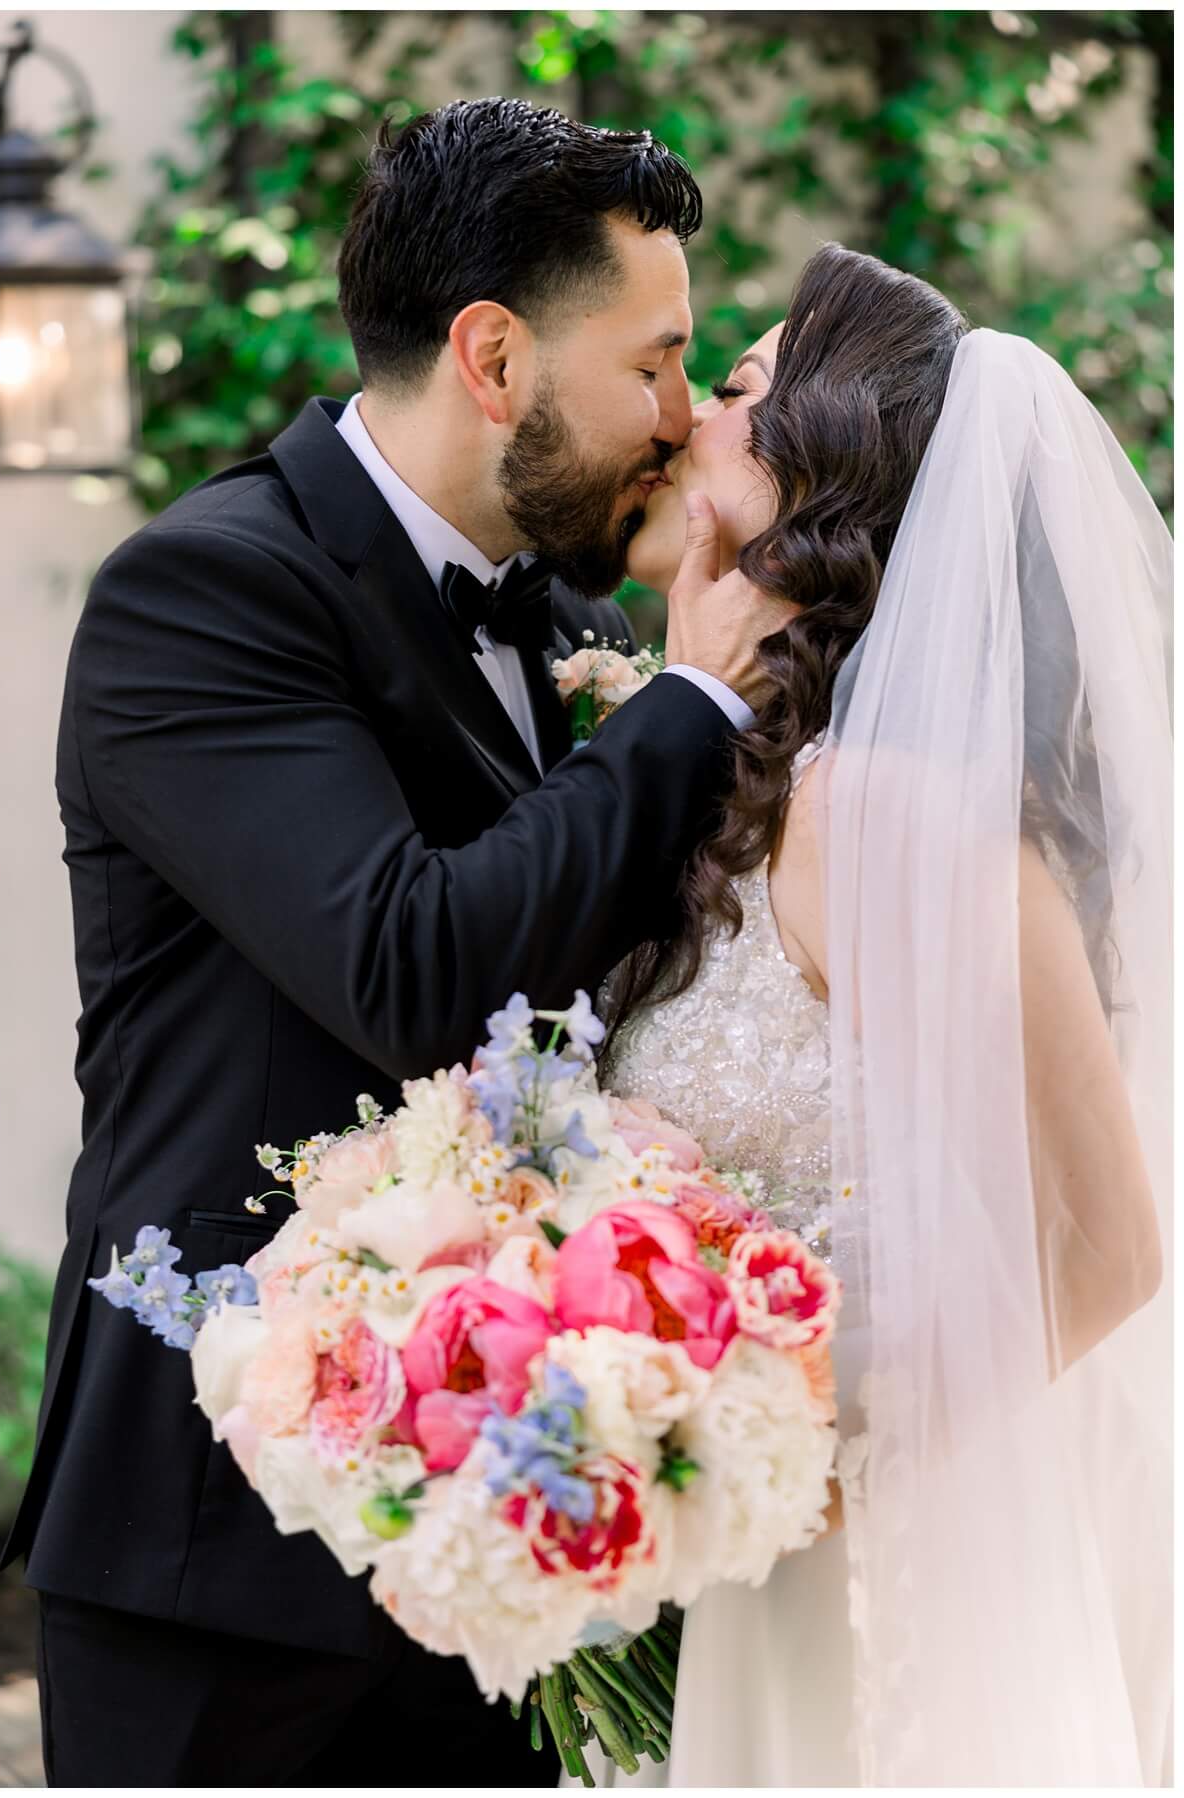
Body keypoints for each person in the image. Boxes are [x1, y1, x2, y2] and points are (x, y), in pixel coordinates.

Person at [12, 97, 793, 1785]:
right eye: (654, 364)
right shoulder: (203, 591)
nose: (677, 416)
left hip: (500, 1538)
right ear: (494, 355)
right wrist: (700, 700)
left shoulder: (574, 621)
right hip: (215, 1543)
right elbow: (414, 968)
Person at [597, 246, 1170, 1785]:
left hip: (861, 1566)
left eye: (732, 387)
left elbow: (1111, 1245)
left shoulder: (886, 807)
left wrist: (823, 1469)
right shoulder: (779, 786)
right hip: (749, 1543)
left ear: (818, 461)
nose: (685, 415)